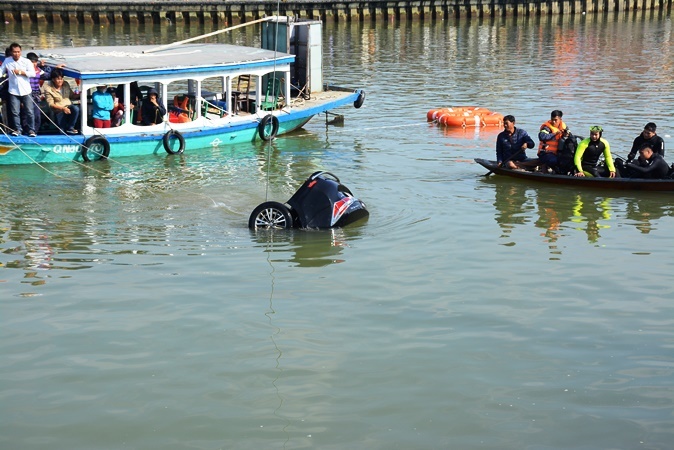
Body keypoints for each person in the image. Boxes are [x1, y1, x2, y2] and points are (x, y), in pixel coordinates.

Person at [0, 43, 36, 136]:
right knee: (15, 112)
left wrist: (20, 72)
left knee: (29, 112)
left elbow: (33, 74)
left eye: (18, 52)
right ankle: (18, 129)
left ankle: (31, 130)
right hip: (13, 91)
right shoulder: (7, 61)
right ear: (11, 52)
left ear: (21, 52)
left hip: (26, 90)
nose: (16, 54)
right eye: (14, 52)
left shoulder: (26, 61)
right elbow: (1, 71)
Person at [43, 68, 80, 134]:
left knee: (76, 109)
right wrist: (63, 108)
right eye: (58, 79)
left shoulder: (65, 84)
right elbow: (51, 104)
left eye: (61, 79)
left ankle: (71, 128)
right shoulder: (48, 89)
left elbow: (71, 96)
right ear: (53, 80)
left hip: (69, 107)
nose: (60, 81)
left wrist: (81, 94)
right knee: (62, 131)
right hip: (59, 111)